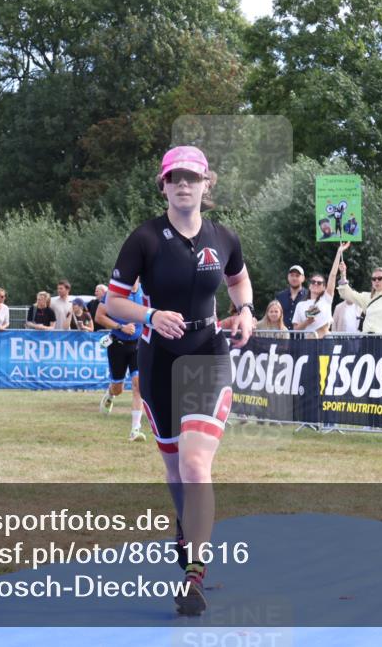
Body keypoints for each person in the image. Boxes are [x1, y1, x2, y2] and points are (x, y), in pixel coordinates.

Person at [104, 145, 254, 616]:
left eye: (192, 177)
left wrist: (245, 311)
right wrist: (149, 313)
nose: (184, 185)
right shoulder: (145, 239)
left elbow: (238, 281)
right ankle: (187, 527)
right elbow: (112, 303)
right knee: (174, 472)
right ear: (163, 185)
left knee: (194, 465)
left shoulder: (224, 236)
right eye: (175, 178)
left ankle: (195, 574)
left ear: (207, 183)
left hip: (207, 353)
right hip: (159, 360)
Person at [95, 278, 147, 441]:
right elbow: (99, 316)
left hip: (138, 345)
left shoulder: (146, 291)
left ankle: (135, 430)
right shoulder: (114, 292)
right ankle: (110, 394)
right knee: (118, 387)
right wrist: (120, 327)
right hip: (117, 344)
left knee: (139, 385)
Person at [292, 243, 346, 339]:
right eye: (313, 282)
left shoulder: (326, 299)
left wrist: (338, 253)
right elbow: (295, 330)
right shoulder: (300, 305)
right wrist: (307, 322)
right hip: (308, 343)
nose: (316, 284)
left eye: (319, 283)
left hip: (325, 342)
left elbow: (333, 275)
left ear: (324, 287)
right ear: (309, 286)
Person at [275, 265, 308, 330]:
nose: (294, 278)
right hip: (283, 336)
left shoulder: (309, 296)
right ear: (288, 277)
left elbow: (314, 318)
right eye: (292, 275)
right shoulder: (280, 296)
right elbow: (272, 314)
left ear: (303, 278)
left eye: (297, 276)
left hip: (303, 337)